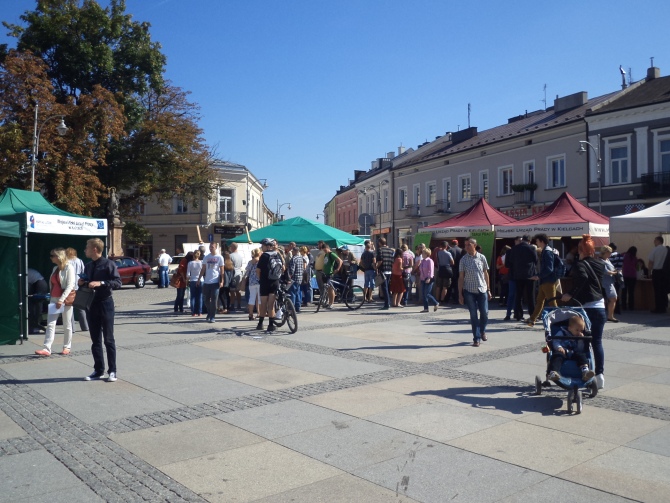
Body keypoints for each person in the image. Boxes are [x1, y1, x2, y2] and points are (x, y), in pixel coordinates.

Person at [561, 234, 606, 389]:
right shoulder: (600, 263)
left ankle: (585, 371)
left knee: (583, 340)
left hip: (586, 307)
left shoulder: (579, 265)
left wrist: (570, 294)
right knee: (597, 341)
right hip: (600, 306)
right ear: (593, 250)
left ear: (580, 250)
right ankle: (600, 375)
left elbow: (583, 279)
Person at [80, 238, 122, 382]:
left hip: (106, 303)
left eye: (87, 247)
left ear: (95, 249)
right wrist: (83, 283)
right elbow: (87, 282)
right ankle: (98, 370)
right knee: (95, 340)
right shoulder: (88, 265)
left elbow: (117, 282)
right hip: (92, 304)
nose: (85, 250)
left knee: (109, 339)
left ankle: (113, 371)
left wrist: (101, 283)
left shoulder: (108, 264)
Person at [34, 248, 75, 357]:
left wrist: (61, 299)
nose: (51, 257)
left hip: (65, 300)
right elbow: (53, 284)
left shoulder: (69, 268)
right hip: (54, 298)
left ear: (59, 257)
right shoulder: (55, 268)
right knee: (50, 324)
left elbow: (70, 285)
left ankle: (67, 346)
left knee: (67, 324)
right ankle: (47, 348)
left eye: (52, 255)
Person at [458, 238, 492, 347]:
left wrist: (489, 289)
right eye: (465, 245)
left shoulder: (482, 258)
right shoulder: (463, 259)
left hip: (482, 289)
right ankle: (476, 338)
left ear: (474, 245)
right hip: (469, 291)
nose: (466, 247)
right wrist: (460, 293)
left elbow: (486, 274)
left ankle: (482, 330)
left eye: (469, 244)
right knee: (473, 315)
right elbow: (461, 277)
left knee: (485, 313)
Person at [547, 315, 595, 382]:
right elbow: (555, 341)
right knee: (557, 356)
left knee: (581, 355)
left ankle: (585, 371)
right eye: (577, 330)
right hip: (563, 351)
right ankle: (553, 372)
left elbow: (580, 349)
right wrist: (559, 347)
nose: (579, 332)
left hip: (574, 352)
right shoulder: (562, 332)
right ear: (569, 328)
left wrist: (580, 340)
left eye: (581, 330)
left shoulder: (579, 336)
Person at [526, 234, 558, 327]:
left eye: (537, 241)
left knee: (552, 302)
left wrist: (538, 276)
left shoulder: (547, 252)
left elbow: (549, 269)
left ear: (541, 241)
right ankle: (532, 319)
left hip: (548, 281)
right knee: (539, 300)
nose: (536, 242)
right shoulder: (545, 251)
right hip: (544, 280)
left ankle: (560, 319)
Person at [256, 238, 284, 331]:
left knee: (263, 304)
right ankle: (271, 325)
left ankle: (260, 324)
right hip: (275, 281)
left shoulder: (264, 256)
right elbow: (283, 268)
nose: (261, 248)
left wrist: (260, 279)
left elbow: (258, 270)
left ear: (267, 246)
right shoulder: (277, 254)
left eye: (262, 246)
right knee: (271, 305)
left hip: (265, 282)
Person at [506, 235, 536, 321]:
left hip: (517, 275)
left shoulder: (514, 249)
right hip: (530, 275)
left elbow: (510, 261)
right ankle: (532, 314)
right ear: (529, 241)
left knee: (518, 296)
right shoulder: (531, 248)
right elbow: (535, 260)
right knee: (531, 296)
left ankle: (518, 314)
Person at [198, 242, 225, 323]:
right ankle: (210, 312)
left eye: (212, 247)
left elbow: (222, 270)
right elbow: (203, 269)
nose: (211, 248)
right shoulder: (206, 257)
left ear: (216, 247)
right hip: (207, 281)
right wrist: (199, 279)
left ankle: (212, 316)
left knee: (214, 299)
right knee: (206, 299)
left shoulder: (219, 257)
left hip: (215, 281)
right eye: (210, 247)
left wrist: (222, 281)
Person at [66, 247, 88, 332]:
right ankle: (85, 326)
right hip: (78, 286)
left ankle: (72, 328)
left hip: (69, 286)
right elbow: (83, 272)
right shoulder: (79, 261)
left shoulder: (66, 262)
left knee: (69, 307)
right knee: (80, 308)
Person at [647, 236, 668, 314]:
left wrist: (649, 271)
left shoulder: (655, 249)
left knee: (657, 290)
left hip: (657, 271)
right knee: (663, 290)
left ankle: (658, 308)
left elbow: (651, 262)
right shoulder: (666, 249)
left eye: (655, 240)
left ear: (658, 241)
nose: (654, 241)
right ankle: (664, 306)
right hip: (664, 272)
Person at [599, 246, 619, 322]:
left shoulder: (607, 260)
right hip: (604, 283)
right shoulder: (600, 260)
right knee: (607, 299)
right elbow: (605, 271)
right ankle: (606, 316)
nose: (610, 254)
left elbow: (611, 269)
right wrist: (615, 273)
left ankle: (610, 316)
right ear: (605, 252)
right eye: (609, 253)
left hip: (610, 282)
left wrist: (616, 271)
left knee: (613, 298)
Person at [503, 237, 521, 321]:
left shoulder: (522, 251)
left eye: (521, 240)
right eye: (518, 240)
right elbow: (506, 265)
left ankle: (517, 313)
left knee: (518, 296)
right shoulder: (509, 251)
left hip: (521, 276)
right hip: (513, 276)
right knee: (511, 295)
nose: (520, 242)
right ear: (515, 241)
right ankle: (508, 314)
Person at [320, 243, 342, 308]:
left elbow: (340, 261)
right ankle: (329, 302)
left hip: (330, 273)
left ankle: (331, 303)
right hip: (325, 273)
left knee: (331, 289)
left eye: (325, 250)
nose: (324, 251)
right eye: (324, 250)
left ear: (328, 248)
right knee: (328, 289)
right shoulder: (326, 255)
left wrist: (337, 269)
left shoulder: (331, 254)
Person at [27, 267, 48, 335]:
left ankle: (36, 325)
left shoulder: (25, 272)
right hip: (38, 283)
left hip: (40, 284)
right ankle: (34, 325)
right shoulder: (27, 272)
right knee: (33, 306)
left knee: (37, 306)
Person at [376, 237, 394, 310]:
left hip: (383, 271)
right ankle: (388, 302)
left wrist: (376, 267)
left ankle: (387, 304)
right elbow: (392, 261)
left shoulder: (380, 250)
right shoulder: (390, 250)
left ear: (380, 243)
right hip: (389, 270)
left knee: (384, 288)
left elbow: (380, 261)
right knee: (387, 288)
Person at [418, 247, 439, 313]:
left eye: (423, 253)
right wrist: (420, 279)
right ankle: (426, 308)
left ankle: (435, 303)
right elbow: (421, 271)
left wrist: (429, 278)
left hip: (429, 278)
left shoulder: (430, 261)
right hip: (423, 279)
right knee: (423, 294)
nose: (422, 254)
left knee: (427, 293)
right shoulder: (422, 261)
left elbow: (431, 270)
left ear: (427, 254)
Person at [244, 248, 262, 320]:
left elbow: (247, 272)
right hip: (259, 281)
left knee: (251, 298)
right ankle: (260, 313)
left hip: (251, 281)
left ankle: (250, 314)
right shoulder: (260, 261)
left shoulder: (250, 262)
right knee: (260, 298)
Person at [609, 242, 624, 315]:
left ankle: (613, 309)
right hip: (619, 275)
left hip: (612, 275)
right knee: (617, 292)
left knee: (612, 294)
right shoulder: (621, 255)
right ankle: (618, 309)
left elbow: (610, 266)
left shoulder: (610, 256)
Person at [288, 247, 305, 312]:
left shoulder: (293, 259)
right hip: (300, 278)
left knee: (292, 293)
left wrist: (289, 277)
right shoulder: (301, 258)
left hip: (294, 278)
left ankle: (292, 308)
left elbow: (292, 270)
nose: (292, 252)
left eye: (292, 251)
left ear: (295, 251)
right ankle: (298, 307)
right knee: (297, 293)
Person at [621, 246, 638, 311]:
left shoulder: (624, 255)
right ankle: (631, 306)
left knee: (624, 291)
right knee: (631, 292)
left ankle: (624, 306)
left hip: (625, 275)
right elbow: (636, 265)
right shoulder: (635, 258)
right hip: (633, 275)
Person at [187, 250, 203, 316]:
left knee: (193, 296)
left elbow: (188, 274)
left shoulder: (190, 263)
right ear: (199, 255)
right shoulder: (201, 262)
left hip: (192, 280)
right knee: (200, 296)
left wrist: (187, 281)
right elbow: (203, 272)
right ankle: (199, 312)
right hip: (201, 280)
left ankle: (193, 312)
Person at [229, 243, 244, 311]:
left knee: (232, 291)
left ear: (233, 248)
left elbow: (229, 265)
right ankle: (239, 304)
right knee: (238, 291)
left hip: (233, 274)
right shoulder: (240, 256)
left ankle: (232, 304)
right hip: (239, 274)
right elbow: (240, 265)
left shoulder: (230, 256)